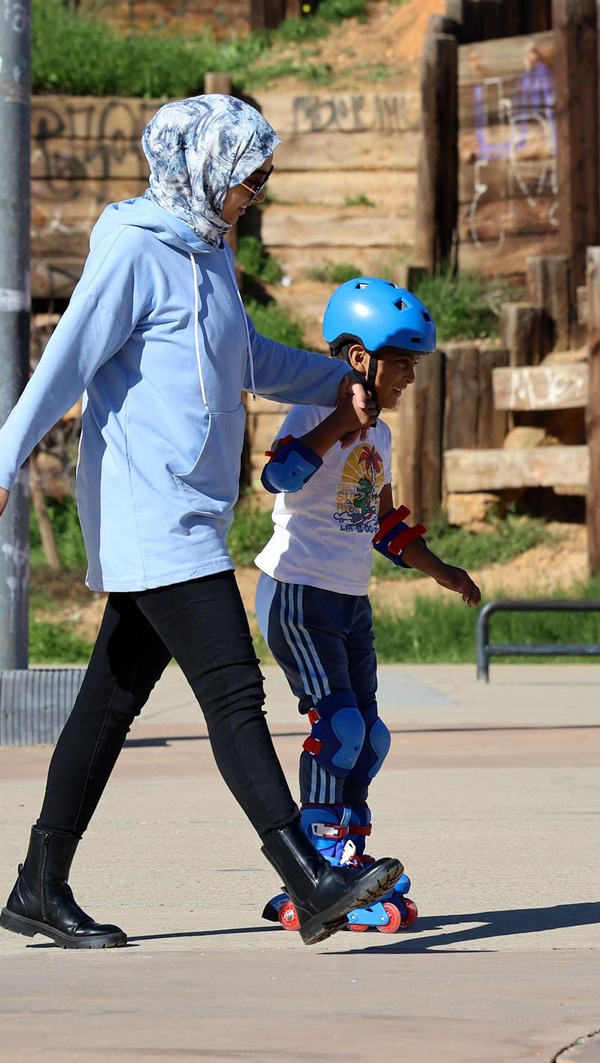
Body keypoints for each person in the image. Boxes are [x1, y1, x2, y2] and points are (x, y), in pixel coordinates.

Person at [0, 96, 403, 949]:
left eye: (261, 181)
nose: (254, 196)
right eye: (248, 180)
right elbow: (66, 361)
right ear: (202, 167)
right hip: (149, 514)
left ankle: (38, 884)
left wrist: (330, 384)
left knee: (109, 702)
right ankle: (310, 880)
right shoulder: (134, 248)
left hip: (189, 511)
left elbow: (249, 359)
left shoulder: (208, 249)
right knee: (234, 690)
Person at [249, 277, 481, 934]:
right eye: (401, 360)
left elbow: (381, 525)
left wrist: (440, 570)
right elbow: (279, 475)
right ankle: (317, 859)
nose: (409, 374)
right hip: (294, 593)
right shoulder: (312, 412)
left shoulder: (381, 440)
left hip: (349, 601)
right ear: (359, 360)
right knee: (340, 727)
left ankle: (347, 851)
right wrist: (336, 425)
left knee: (370, 737)